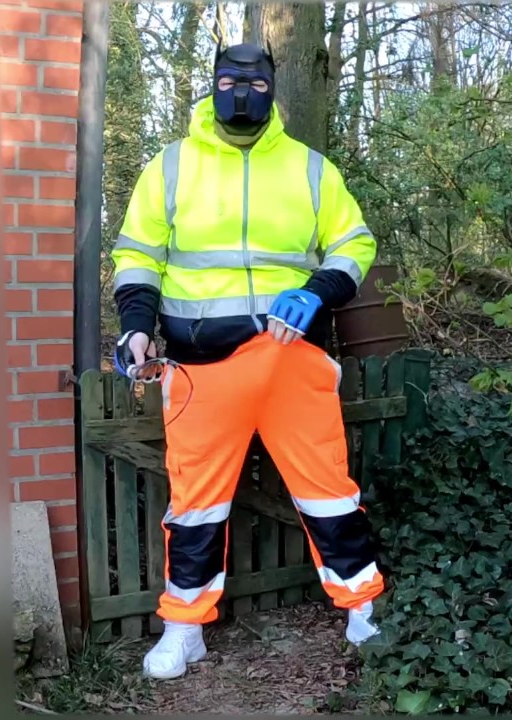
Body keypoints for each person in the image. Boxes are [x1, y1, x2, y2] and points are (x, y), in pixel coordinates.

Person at [110, 42, 385, 680]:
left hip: (291, 357)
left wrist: (318, 290)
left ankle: (363, 609)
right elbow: (138, 255)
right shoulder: (170, 166)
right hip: (201, 365)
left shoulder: (310, 168)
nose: (241, 93)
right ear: (212, 84)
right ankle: (184, 628)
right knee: (196, 503)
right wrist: (136, 326)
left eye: (256, 83)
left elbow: (354, 243)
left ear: (273, 88)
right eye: (229, 81)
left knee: (328, 492)